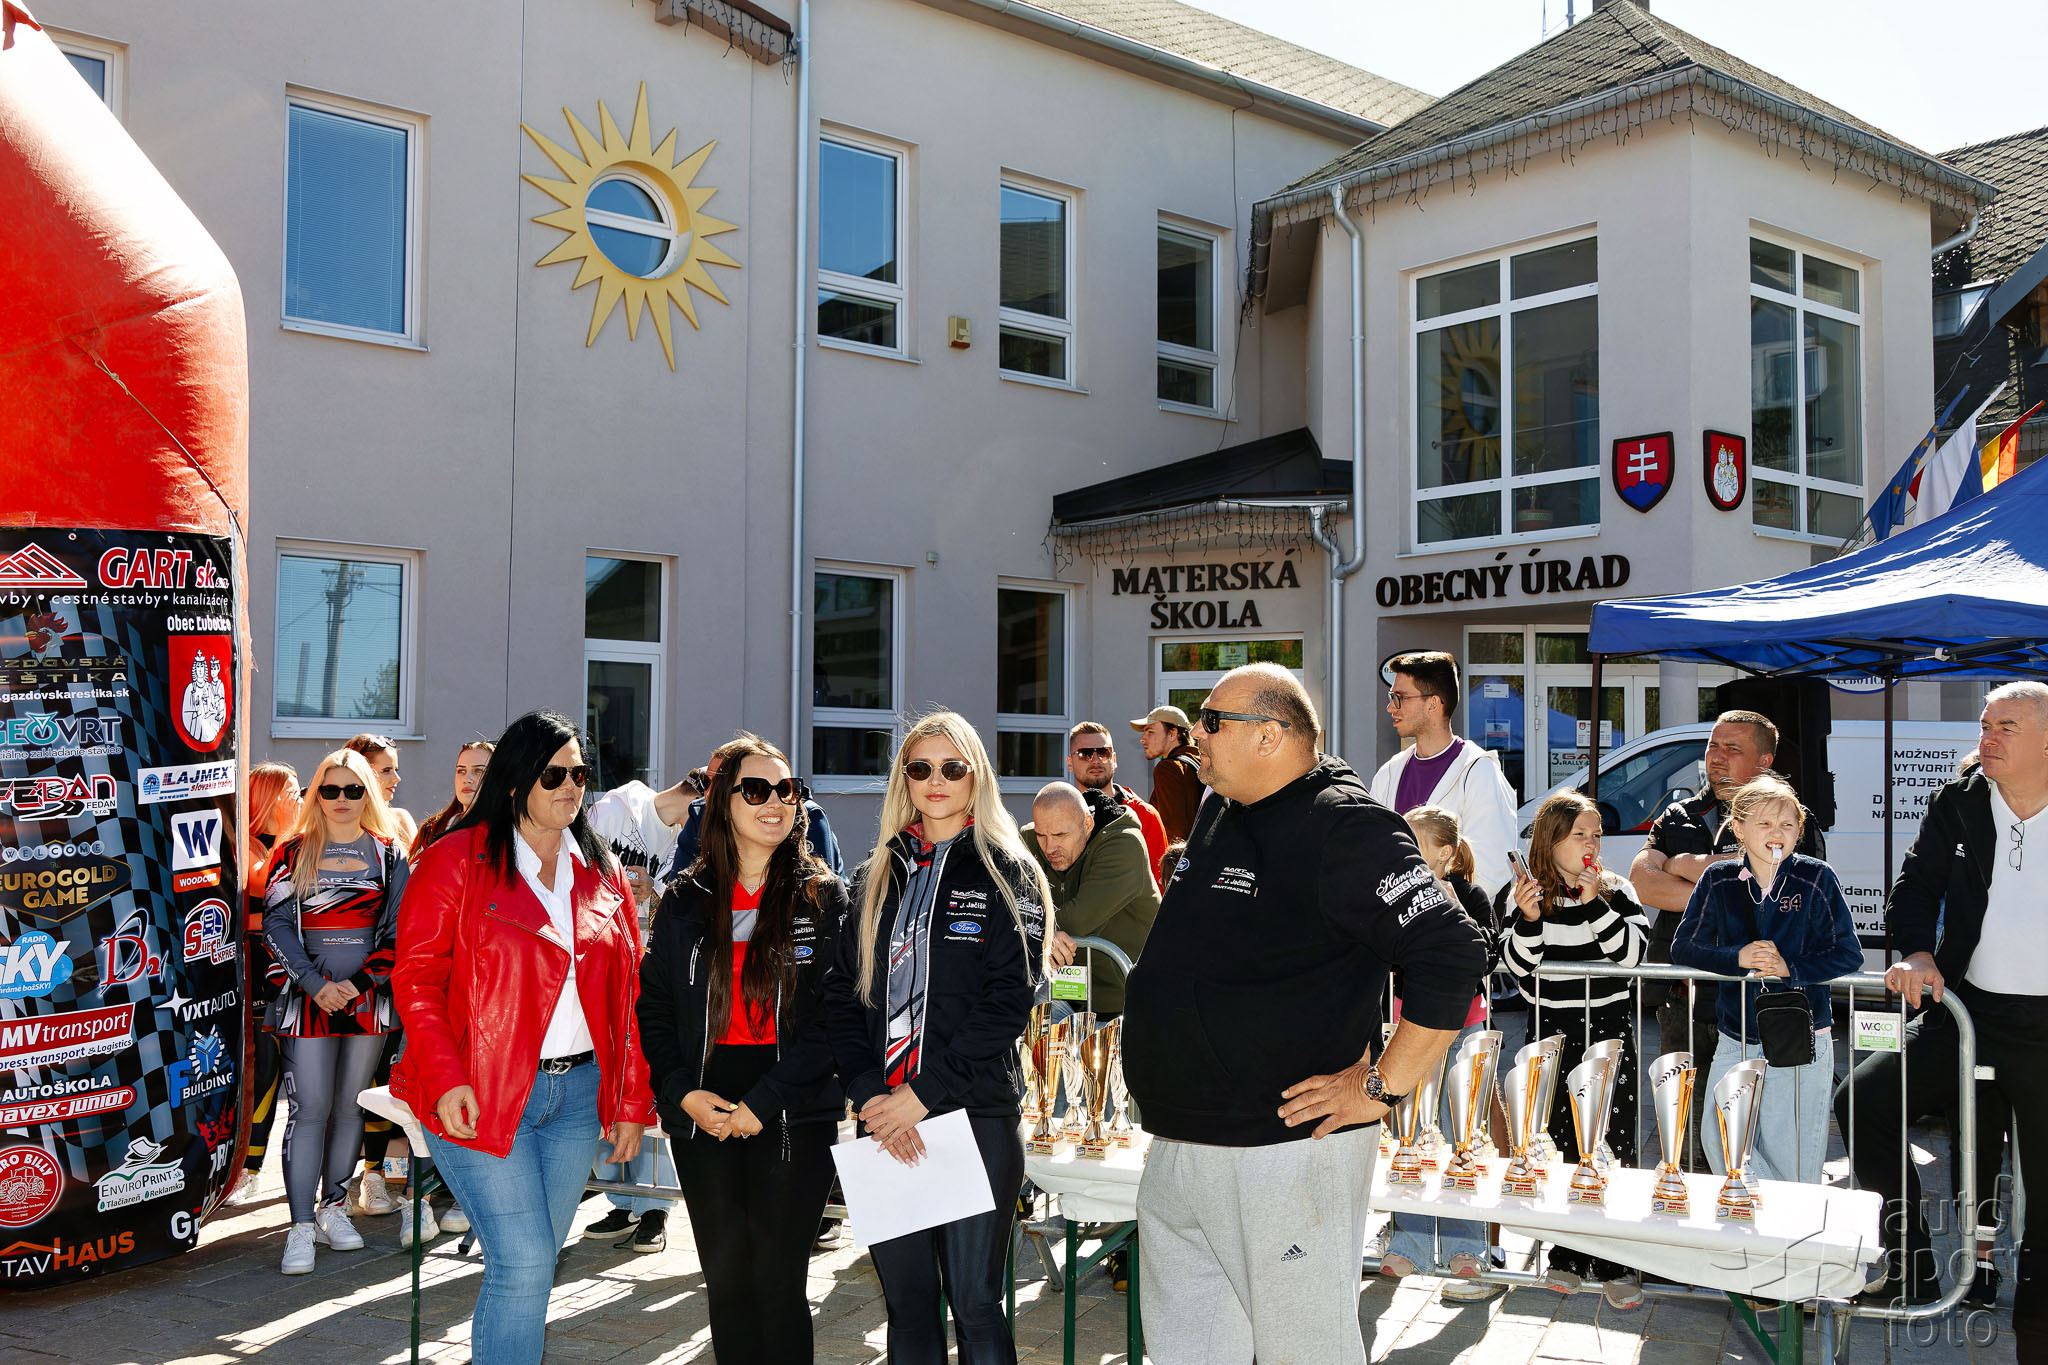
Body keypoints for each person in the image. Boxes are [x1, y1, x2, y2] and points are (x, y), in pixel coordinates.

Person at [1121, 663, 1487, 1364]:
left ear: (1270, 735)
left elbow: (1451, 951)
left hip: (1281, 1150)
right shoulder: (1221, 807)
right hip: (1181, 1142)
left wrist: (1380, 1087)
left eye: (1212, 720)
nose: (1196, 734)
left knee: (1304, 1351)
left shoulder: (1346, 825)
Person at [391, 711, 654, 1365]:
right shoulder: (454, 860)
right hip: (481, 1093)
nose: (571, 787)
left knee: (532, 1265)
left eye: (580, 775)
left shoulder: (602, 870)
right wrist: (445, 1076)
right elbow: (417, 981)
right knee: (526, 1260)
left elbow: (629, 998)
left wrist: (631, 1100)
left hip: (578, 1097)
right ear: (514, 781)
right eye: (553, 775)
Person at [824, 711, 1052, 1365]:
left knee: (975, 1304)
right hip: (884, 1118)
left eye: (952, 767)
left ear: (976, 776)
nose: (936, 780)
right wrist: (871, 1094)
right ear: (904, 778)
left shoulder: (1009, 871)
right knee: (908, 1308)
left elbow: (1007, 1003)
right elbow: (840, 996)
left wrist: (923, 1095)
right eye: (920, 767)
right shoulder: (874, 875)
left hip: (971, 1113)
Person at [1837, 683, 2048, 1344]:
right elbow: (1915, 885)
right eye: (1985, 725)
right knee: (1863, 1100)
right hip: (1967, 1014)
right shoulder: (1959, 800)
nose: (1987, 738)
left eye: (2005, 727)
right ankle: (1914, 1268)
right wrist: (1917, 952)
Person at [638, 735, 850, 1363]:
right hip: (702, 1098)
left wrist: (768, 1100)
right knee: (727, 1283)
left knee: (778, 1283)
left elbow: (836, 1017)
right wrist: (681, 1091)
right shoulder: (684, 899)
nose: (775, 802)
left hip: (793, 1102)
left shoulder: (824, 897)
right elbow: (655, 1008)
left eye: (787, 790)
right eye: (756, 790)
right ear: (723, 803)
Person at [1630, 710, 1825, 1171]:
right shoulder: (1679, 814)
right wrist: (1723, 886)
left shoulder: (1790, 820)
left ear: (1764, 760)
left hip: (1762, 1010)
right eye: (1713, 746)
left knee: (1759, 1146)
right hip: (1687, 1006)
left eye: (1732, 749)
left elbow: (1777, 891)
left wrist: (1681, 865)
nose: (1716, 758)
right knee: (1686, 1145)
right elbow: (1642, 882)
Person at [1670, 774, 1859, 1184]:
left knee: (1789, 1154)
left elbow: (1848, 954)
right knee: (1719, 1137)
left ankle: (1784, 1217)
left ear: (1799, 830)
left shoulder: (1817, 877)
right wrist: (1736, 957)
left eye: (1788, 824)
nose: (1777, 833)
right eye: (1765, 823)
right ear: (1738, 827)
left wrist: (1790, 967)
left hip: (1802, 1036)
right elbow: (1683, 947)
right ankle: (1759, 1208)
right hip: (1735, 1034)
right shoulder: (1718, 879)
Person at [1499, 789, 1648, 1309]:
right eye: (1580, 834)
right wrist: (1530, 919)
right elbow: (1518, 968)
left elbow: (1632, 956)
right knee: (1558, 1140)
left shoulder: (1616, 889)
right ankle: (1566, 1251)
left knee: (1613, 1138)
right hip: (1550, 1029)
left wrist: (1594, 905)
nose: (1592, 844)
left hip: (1608, 1027)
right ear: (1551, 839)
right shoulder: (1522, 893)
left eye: (1597, 835)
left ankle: (1615, 1258)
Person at [262, 750, 408, 1274]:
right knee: (309, 1108)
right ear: (316, 795)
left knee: (351, 1106)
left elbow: (400, 931)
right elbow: (276, 925)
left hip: (369, 998)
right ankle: (301, 1226)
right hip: (306, 1000)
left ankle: (333, 1208)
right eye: (330, 789)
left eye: (353, 789)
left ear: (368, 793)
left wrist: (357, 984)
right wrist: (314, 984)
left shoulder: (390, 854)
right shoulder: (291, 852)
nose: (341, 799)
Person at [1380, 804, 1508, 1304]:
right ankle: (1408, 1240)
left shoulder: (1470, 895)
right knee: (1409, 1130)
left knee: (1463, 1135)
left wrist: (1452, 908)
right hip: (1409, 1026)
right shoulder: (1393, 892)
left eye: (1413, 842)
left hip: (1462, 1024)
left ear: (1445, 852)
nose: (1402, 851)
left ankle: (1466, 1248)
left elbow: (1487, 955)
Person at [1368, 651, 1519, 898]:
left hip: (1454, 920)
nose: (1390, 707)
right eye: (1391, 697)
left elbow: (1491, 871)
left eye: (1400, 697)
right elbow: (1373, 853)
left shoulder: (1479, 772)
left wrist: (1434, 907)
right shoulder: (1389, 773)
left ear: (1433, 704)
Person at [1022, 781, 1159, 1018]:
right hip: (1067, 994)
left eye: (1060, 835)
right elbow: (1002, 904)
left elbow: (1078, 921)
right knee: (1021, 1027)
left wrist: (1039, 929)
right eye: (1041, 835)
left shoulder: (1124, 844)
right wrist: (1044, 932)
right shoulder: (1028, 841)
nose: (1049, 847)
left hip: (1130, 1001)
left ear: (1087, 824)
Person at [231, 761, 299, 1205]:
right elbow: (262, 885)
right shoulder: (249, 845)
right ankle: (248, 1168)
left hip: (298, 970)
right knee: (264, 1068)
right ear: (271, 798)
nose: (300, 799)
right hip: (259, 971)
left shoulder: (295, 842)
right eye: (292, 791)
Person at [668, 734, 843, 876]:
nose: (710, 792)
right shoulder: (700, 813)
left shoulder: (808, 817)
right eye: (706, 782)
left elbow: (826, 896)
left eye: (756, 790)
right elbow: (679, 889)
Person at [1064, 722, 1166, 888]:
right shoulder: (1060, 814)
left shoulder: (1144, 815)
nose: (1096, 760)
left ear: (1114, 759)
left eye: (1103, 753)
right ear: (1070, 763)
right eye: (1085, 754)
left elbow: (1159, 885)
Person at [1131, 704, 1202, 843]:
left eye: (1150, 732)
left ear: (1172, 734)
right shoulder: (1199, 761)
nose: (1143, 739)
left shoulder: (1168, 768)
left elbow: (1173, 832)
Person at [410, 740, 494, 858]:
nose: (467, 779)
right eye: (461, 771)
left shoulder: (510, 832)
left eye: (478, 771)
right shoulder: (432, 829)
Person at [347, 733, 418, 847]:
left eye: (395, 770)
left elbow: (416, 858)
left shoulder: (400, 819)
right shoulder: (338, 822)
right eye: (386, 770)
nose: (397, 778)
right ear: (361, 774)